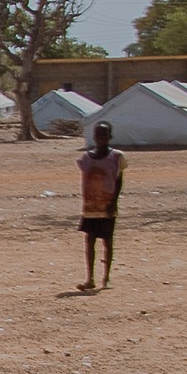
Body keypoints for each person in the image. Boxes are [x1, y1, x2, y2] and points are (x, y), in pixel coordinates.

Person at [75, 120, 124, 291]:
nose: (101, 138)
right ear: (94, 137)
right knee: (89, 241)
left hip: (107, 205)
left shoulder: (116, 157)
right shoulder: (85, 158)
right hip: (90, 207)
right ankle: (90, 278)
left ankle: (107, 277)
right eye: (98, 135)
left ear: (110, 136)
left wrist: (113, 203)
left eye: (104, 135)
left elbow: (118, 181)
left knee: (107, 241)